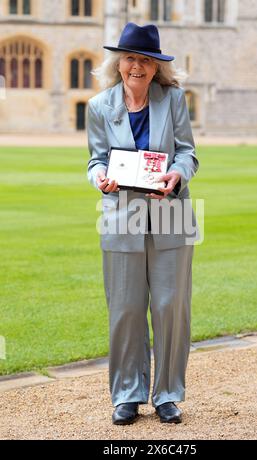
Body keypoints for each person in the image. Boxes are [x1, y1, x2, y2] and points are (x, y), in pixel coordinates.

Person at [87, 22, 199, 425]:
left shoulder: (173, 99)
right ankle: (127, 395)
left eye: (146, 61)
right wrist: (99, 179)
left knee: (171, 308)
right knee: (125, 310)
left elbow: (187, 152)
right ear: (119, 64)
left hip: (171, 213)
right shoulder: (99, 106)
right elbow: (95, 160)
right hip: (120, 217)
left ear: (156, 68)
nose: (137, 66)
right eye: (130, 58)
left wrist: (177, 175)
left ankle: (168, 393)